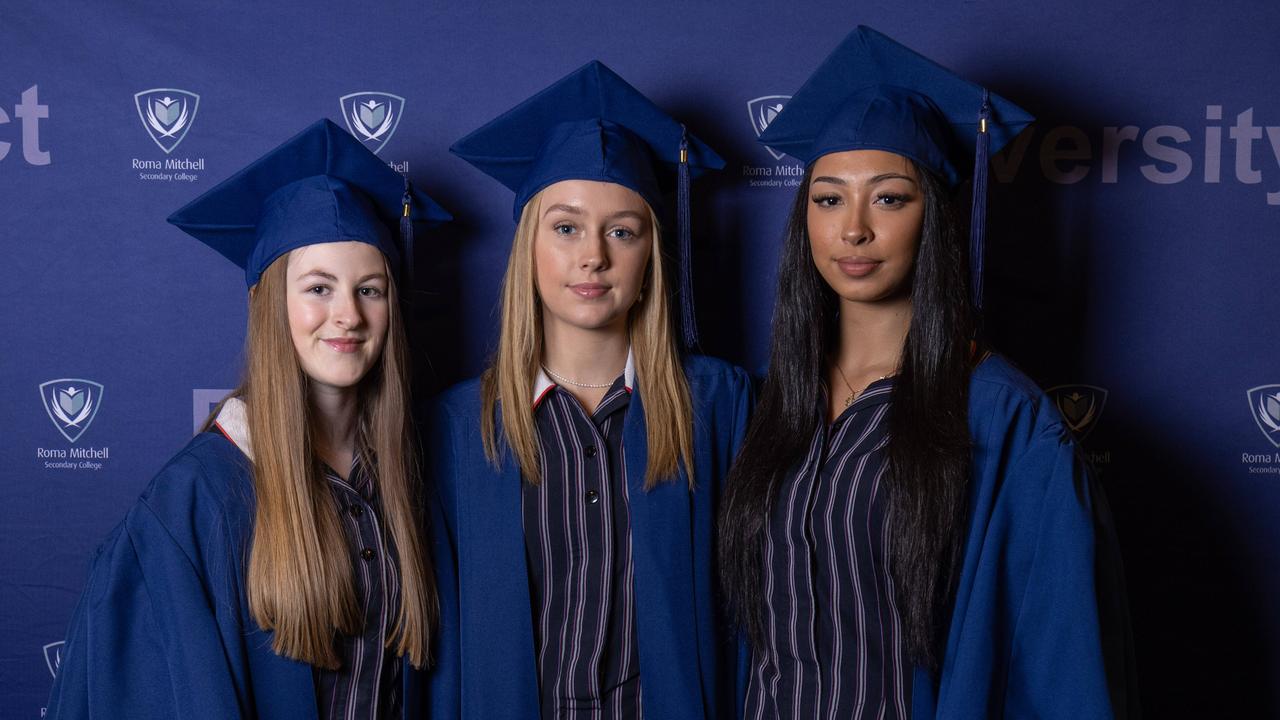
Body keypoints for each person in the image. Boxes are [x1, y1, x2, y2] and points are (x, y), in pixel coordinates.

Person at [717, 26, 1136, 719]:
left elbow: (1059, 657)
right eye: (828, 199)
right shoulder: (762, 405)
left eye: (888, 198)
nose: (853, 229)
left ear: (935, 215)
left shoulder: (1000, 417)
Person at [45, 119, 451, 720]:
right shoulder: (197, 497)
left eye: (370, 290)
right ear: (268, 304)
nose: (347, 315)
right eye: (318, 288)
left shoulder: (404, 479)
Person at [427, 61, 751, 719]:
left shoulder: (717, 404)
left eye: (622, 231)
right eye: (566, 226)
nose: (593, 256)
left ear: (650, 255)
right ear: (529, 247)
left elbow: (753, 615)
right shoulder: (460, 426)